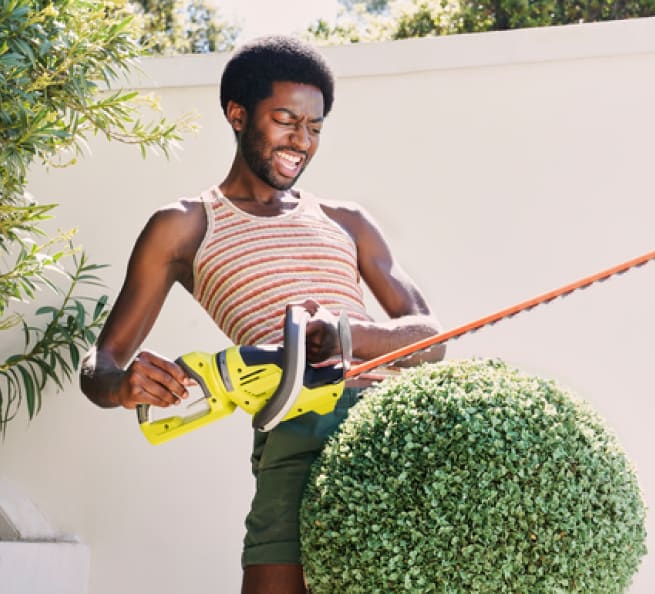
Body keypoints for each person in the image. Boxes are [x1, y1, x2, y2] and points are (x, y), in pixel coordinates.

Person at [80, 35, 444, 594]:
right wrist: (122, 386)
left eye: (315, 127)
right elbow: (100, 363)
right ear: (237, 114)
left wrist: (342, 335)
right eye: (285, 120)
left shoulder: (347, 220)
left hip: (391, 423)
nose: (301, 140)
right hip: (294, 426)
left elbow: (431, 339)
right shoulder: (184, 226)